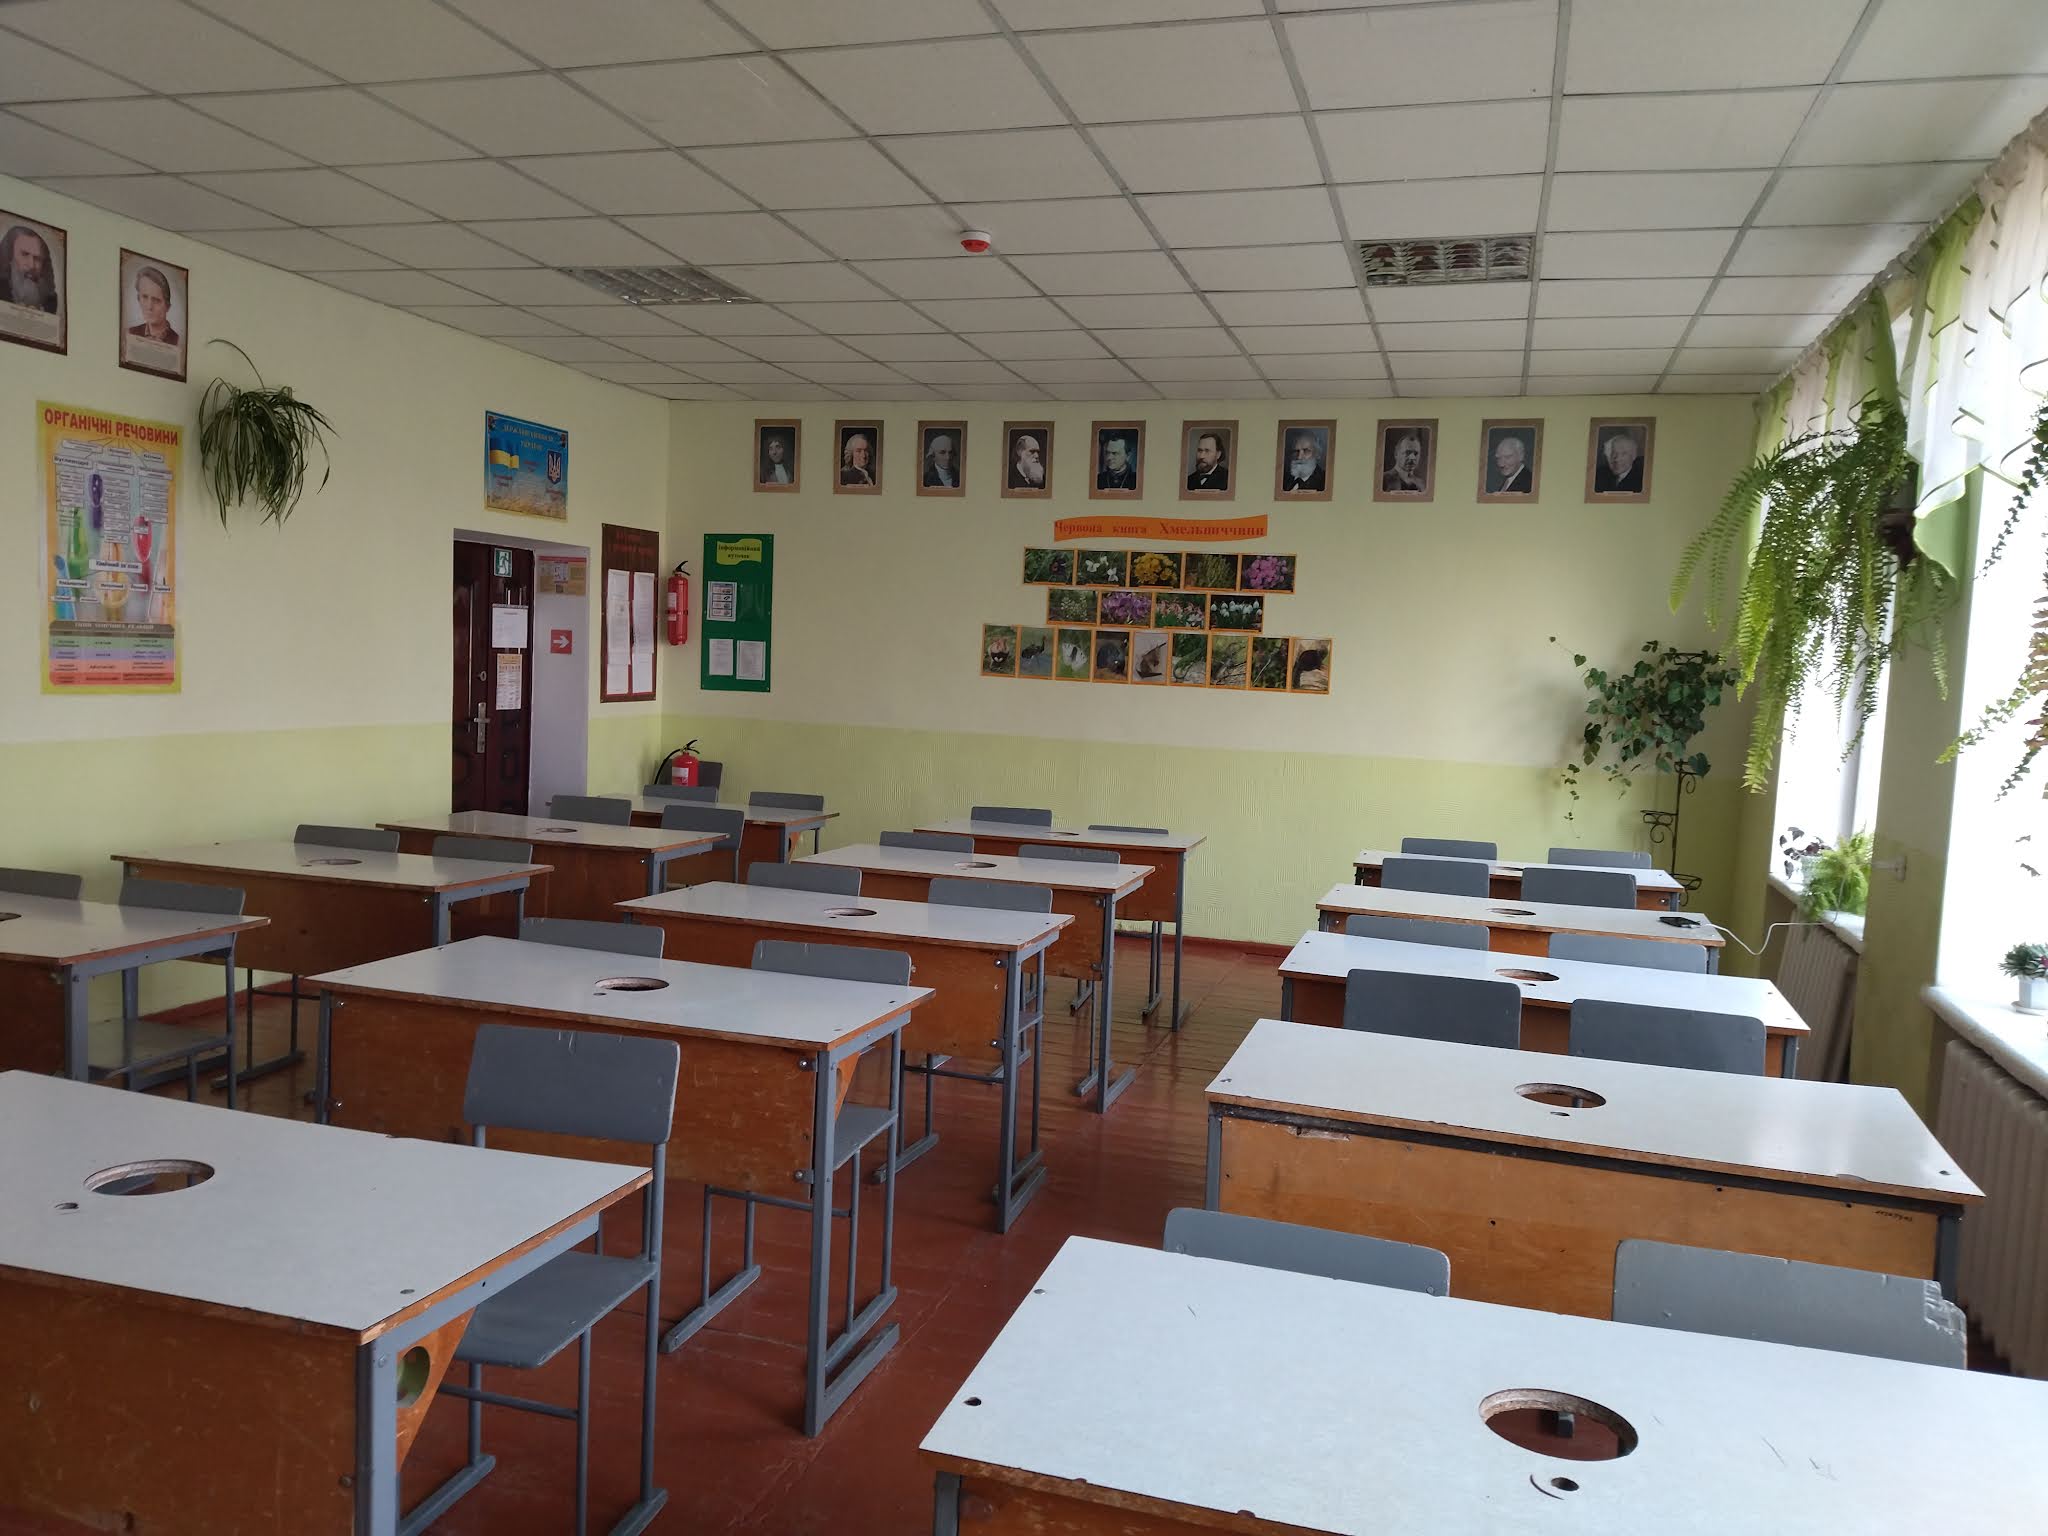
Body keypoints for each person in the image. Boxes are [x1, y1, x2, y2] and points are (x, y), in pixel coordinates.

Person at [3, 224, 58, 313]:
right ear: (10, 257)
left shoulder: (52, 302)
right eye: (24, 254)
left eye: (37, 258)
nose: (31, 265)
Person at [127, 265, 177, 345]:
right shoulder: (130, 333)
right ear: (138, 299)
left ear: (167, 306)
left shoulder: (177, 341)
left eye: (156, 300)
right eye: (145, 297)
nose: (149, 307)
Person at [1594, 426, 1645, 493]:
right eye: (1613, 453)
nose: (1617, 459)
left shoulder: (1642, 479)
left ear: (1633, 456)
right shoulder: (1599, 474)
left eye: (1624, 454)